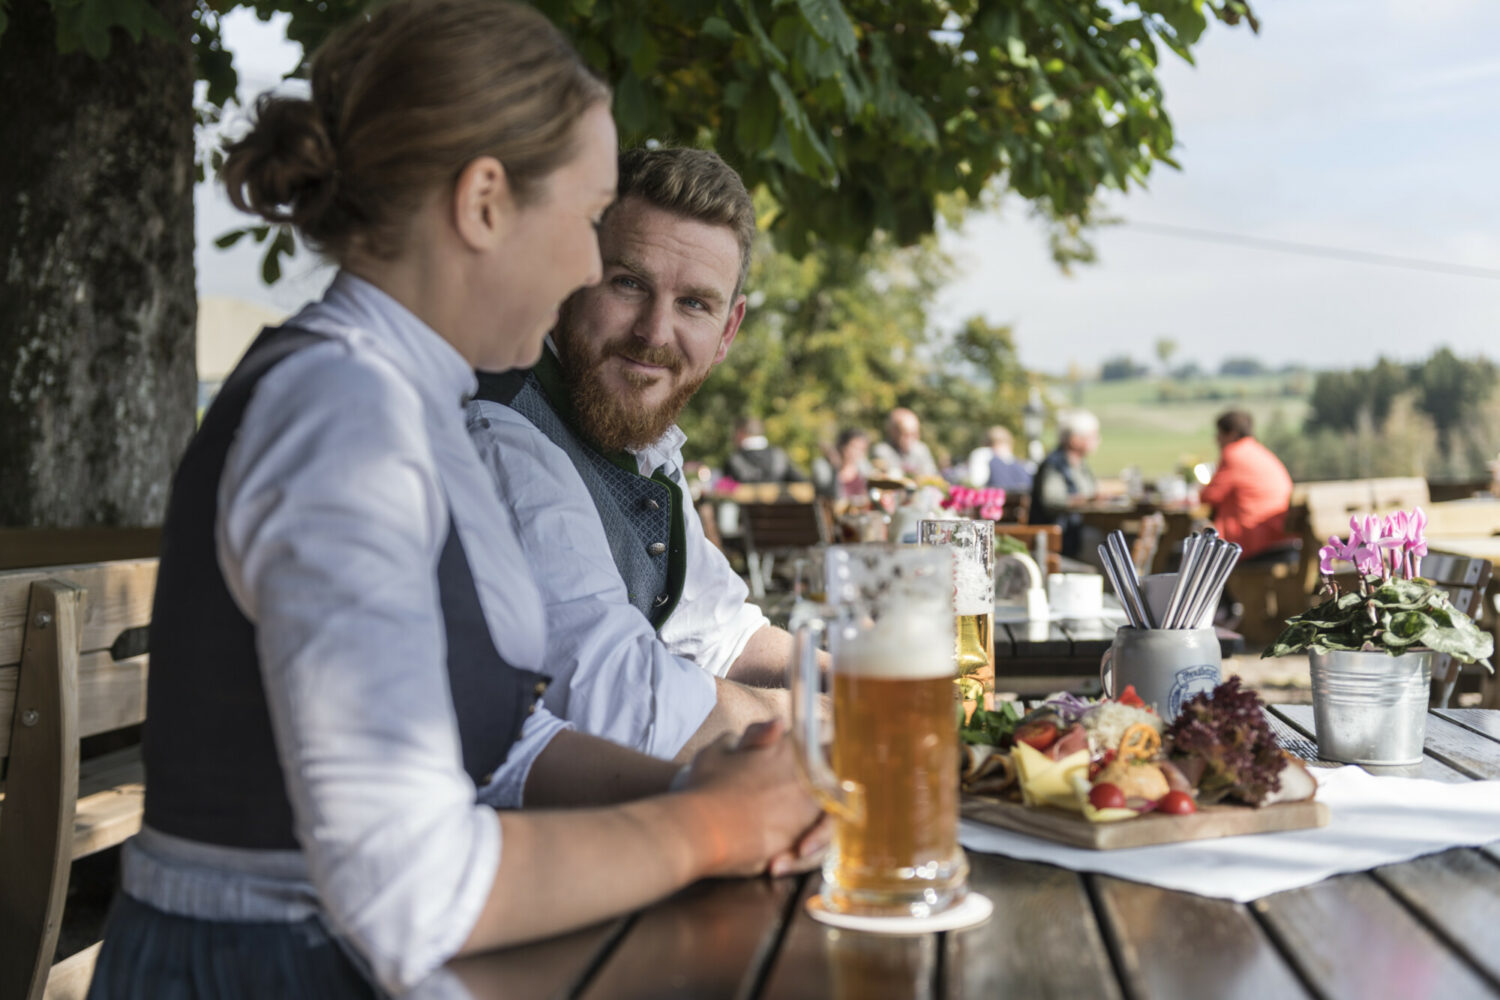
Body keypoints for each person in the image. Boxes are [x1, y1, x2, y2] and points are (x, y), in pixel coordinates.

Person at [86, 6, 822, 998]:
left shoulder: (414, 400)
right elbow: (408, 888)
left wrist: (711, 784)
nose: (581, 272)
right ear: (482, 202)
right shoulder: (341, 419)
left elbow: (493, 739)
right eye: (587, 222)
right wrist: (711, 827)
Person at [466, 147, 809, 753]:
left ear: (728, 331)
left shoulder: (642, 446)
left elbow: (726, 636)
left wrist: (881, 677)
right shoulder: (504, 432)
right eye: (628, 284)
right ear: (569, 279)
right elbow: (620, 705)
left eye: (694, 304)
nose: (654, 332)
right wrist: (852, 712)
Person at [1199, 409, 1295, 558]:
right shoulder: (1261, 452)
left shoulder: (1233, 454)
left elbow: (1208, 496)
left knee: (1194, 552)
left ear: (1232, 433)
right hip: (1278, 535)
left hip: (1251, 540)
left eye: (1219, 434)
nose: (1216, 440)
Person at [1030, 410, 1101, 558]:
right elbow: (1052, 501)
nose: (1098, 440)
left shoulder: (1080, 465)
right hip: (1058, 539)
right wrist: (1086, 499)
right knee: (1103, 545)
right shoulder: (1054, 465)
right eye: (1093, 436)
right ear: (1075, 439)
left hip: (1072, 533)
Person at [725, 416, 807, 484]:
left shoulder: (734, 460)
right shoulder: (779, 456)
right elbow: (802, 481)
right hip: (780, 503)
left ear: (741, 433)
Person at [870, 407, 939, 479]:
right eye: (906, 434)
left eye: (915, 434)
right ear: (894, 432)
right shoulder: (882, 450)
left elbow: (931, 475)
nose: (912, 439)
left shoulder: (921, 449)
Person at [967, 425, 1032, 491]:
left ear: (986, 443)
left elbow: (975, 483)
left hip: (996, 499)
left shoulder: (983, 455)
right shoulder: (1022, 464)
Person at [813, 427, 872, 499]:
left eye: (861, 449)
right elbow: (830, 496)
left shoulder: (863, 467)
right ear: (843, 446)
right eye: (854, 447)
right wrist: (835, 467)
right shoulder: (824, 467)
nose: (857, 453)